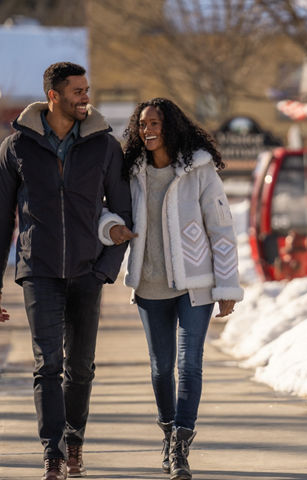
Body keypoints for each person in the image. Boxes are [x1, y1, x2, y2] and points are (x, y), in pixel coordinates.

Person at [0, 62, 132, 480]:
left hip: (88, 272)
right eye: (77, 91)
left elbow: (123, 213)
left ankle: (75, 440)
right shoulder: (17, 147)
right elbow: (0, 216)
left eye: (87, 90)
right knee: (47, 364)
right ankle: (52, 452)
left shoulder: (105, 147)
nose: (86, 97)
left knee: (80, 367)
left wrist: (106, 270)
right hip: (40, 270)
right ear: (54, 96)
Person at [98, 97, 243, 480]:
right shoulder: (133, 171)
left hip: (195, 285)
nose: (149, 129)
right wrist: (111, 226)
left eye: (156, 123)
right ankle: (167, 431)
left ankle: (180, 443)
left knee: (189, 363)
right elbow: (107, 209)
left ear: (171, 126)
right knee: (161, 369)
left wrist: (227, 284)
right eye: (143, 124)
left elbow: (221, 228)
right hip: (149, 285)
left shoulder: (198, 169)